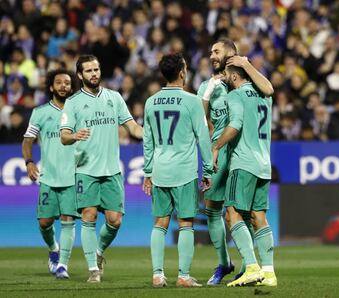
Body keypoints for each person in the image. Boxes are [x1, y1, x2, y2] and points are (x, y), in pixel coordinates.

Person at [60, 55, 143, 283]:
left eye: (96, 69)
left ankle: (98, 253)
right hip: (85, 169)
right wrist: (74, 135)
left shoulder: (114, 98)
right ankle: (92, 270)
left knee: (115, 220)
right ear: (80, 75)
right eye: (88, 71)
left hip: (112, 170)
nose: (94, 74)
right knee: (88, 215)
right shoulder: (73, 102)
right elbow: (63, 136)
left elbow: (132, 126)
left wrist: (149, 134)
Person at [197, 38, 274, 285]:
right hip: (238, 153)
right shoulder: (208, 86)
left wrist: (246, 65)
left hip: (240, 153)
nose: (212, 55)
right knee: (213, 206)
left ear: (232, 55)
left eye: (216, 51)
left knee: (241, 212)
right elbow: (203, 125)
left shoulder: (243, 84)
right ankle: (225, 263)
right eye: (211, 52)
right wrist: (206, 98)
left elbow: (266, 92)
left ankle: (249, 265)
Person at [142, 53, 213, 288]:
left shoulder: (151, 102)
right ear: (182, 72)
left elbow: (148, 141)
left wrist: (148, 172)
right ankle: (183, 275)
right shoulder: (192, 101)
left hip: (160, 170)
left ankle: (157, 274)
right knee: (185, 224)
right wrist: (208, 170)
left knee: (160, 223)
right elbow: (203, 138)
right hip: (183, 171)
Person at [212, 64, 277, 287]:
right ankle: (269, 273)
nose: (225, 79)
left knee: (231, 214)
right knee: (259, 217)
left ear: (235, 76)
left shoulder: (235, 95)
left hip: (244, 162)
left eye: (227, 76)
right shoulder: (265, 96)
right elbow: (268, 87)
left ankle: (250, 266)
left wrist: (216, 147)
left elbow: (235, 125)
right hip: (264, 164)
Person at [22, 69, 78, 279]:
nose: (63, 86)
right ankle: (53, 248)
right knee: (45, 222)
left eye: (67, 83)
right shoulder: (40, 112)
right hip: (49, 176)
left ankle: (62, 264)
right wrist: (28, 162)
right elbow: (28, 140)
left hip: (72, 176)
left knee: (68, 219)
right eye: (59, 82)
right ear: (51, 87)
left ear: (71, 87)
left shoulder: (78, 111)